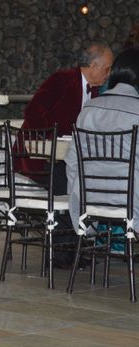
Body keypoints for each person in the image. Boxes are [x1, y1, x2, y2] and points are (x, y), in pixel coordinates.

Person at [21, 43, 114, 192]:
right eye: (107, 68)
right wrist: (50, 140)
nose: (109, 74)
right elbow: (33, 110)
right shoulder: (62, 79)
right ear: (94, 65)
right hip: (44, 158)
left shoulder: (95, 92)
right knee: (76, 186)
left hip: (68, 159)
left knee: (97, 179)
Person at [64, 48, 139, 234]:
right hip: (132, 202)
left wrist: (78, 196)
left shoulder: (88, 110)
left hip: (89, 200)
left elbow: (72, 162)